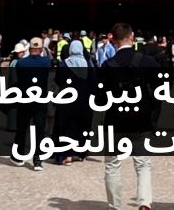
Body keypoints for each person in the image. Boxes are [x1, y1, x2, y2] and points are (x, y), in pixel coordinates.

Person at [101, 22, 159, 210]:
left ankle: (115, 207)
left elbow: (100, 98)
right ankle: (144, 203)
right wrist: (153, 114)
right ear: (132, 37)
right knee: (143, 164)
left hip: (114, 121)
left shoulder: (107, 65)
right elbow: (160, 91)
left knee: (112, 165)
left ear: (113, 40)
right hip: (141, 119)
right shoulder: (148, 62)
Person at [11, 37, 52, 171]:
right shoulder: (46, 62)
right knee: (39, 131)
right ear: (40, 49)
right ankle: (37, 161)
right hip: (40, 100)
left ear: (29, 49)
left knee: (22, 129)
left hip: (25, 100)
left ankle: (18, 156)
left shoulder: (21, 63)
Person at [53, 40, 95, 165]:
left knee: (65, 127)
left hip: (67, 99)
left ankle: (67, 155)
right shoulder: (88, 65)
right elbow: (93, 84)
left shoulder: (63, 64)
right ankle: (81, 153)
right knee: (82, 126)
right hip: (84, 101)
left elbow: (58, 80)